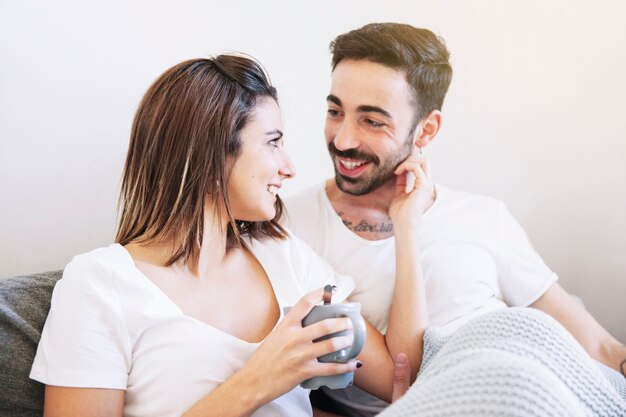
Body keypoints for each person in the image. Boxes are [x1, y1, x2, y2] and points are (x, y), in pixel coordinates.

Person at [29, 54, 433, 417]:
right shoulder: (99, 284)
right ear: (210, 153)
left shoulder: (284, 256)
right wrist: (258, 380)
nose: (289, 167)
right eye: (272, 143)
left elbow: (403, 372)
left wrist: (407, 226)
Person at [283, 23, 626, 416]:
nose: (343, 140)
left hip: (538, 382)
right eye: (334, 111)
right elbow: (299, 396)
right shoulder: (289, 228)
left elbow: (596, 345)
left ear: (426, 130)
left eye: (372, 121)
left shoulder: (483, 217)